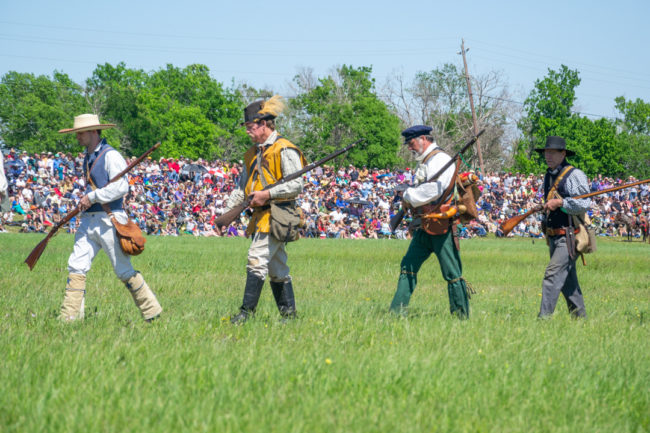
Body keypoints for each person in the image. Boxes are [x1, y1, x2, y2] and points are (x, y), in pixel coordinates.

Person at [57, 114, 162, 322]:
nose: (77, 137)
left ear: (93, 132)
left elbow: (122, 187)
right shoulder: (88, 156)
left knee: (123, 270)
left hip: (109, 219)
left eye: (81, 132)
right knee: (76, 265)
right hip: (89, 220)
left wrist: (93, 196)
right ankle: (69, 317)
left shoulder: (111, 155)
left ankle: (152, 312)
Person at [224, 95, 306, 324]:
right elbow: (243, 187)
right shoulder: (251, 153)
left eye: (250, 126)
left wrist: (267, 194)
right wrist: (226, 213)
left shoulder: (284, 149)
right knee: (277, 267)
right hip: (261, 216)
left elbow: (297, 185)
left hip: (279, 214)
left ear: (263, 124)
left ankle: (245, 314)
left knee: (256, 259)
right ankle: (289, 316)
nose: (247, 131)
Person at [389, 125, 471, 318]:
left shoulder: (441, 160)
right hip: (424, 224)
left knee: (452, 274)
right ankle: (395, 313)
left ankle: (461, 317)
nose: (410, 147)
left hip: (442, 226)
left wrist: (408, 194)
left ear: (423, 139)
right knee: (408, 266)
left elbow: (434, 190)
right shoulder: (428, 161)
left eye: (411, 143)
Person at [536, 136, 590, 318]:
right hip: (553, 236)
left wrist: (560, 203)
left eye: (552, 152)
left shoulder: (574, 174)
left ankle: (542, 320)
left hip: (568, 236)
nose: (548, 156)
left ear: (563, 153)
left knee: (551, 278)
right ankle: (580, 319)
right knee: (568, 282)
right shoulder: (548, 175)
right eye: (546, 152)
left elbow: (583, 204)